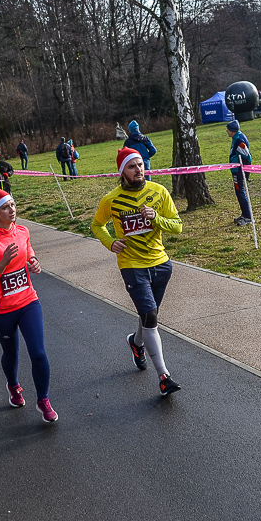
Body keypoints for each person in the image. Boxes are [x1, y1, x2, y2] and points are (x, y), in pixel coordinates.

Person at [90, 148, 182, 396]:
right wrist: (110, 242)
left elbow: (178, 226)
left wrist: (157, 219)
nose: (138, 169)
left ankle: (136, 342)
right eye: (132, 166)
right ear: (122, 172)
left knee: (148, 315)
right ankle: (164, 376)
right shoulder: (112, 199)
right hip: (131, 265)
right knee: (150, 315)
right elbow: (97, 224)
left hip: (161, 263)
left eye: (140, 164)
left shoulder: (159, 192)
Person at [0, 188, 58, 422]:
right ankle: (13, 385)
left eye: (12, 204)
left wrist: (33, 261)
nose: (11, 210)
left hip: (28, 301)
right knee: (11, 353)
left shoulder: (23, 231)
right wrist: (2, 263)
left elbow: (28, 250)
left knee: (39, 353)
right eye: (5, 207)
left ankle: (43, 400)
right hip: (1, 311)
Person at [226, 120, 253, 226]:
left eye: (228, 129)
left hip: (239, 171)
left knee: (240, 191)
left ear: (232, 130)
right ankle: (244, 214)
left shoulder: (239, 140)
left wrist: (246, 172)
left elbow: (247, 156)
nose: (227, 131)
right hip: (236, 170)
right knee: (239, 192)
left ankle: (247, 217)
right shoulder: (236, 137)